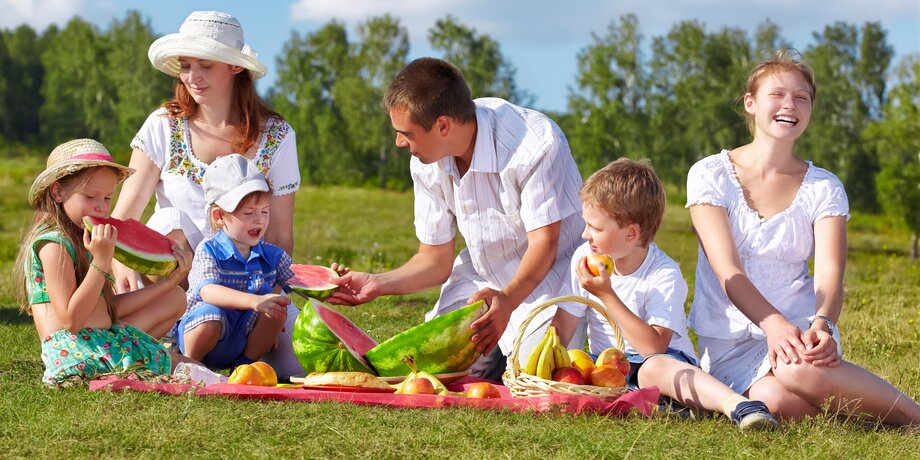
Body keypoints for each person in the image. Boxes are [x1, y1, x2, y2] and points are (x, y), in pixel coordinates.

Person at [686, 49, 920, 425]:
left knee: (796, 370)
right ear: (750, 103)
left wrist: (823, 324)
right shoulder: (709, 174)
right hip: (731, 339)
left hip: (802, 329)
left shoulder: (824, 186)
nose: (789, 105)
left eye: (801, 98)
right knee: (774, 401)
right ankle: (855, 406)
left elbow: (830, 274)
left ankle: (913, 415)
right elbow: (728, 269)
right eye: (777, 94)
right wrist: (773, 325)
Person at [328, 57, 586, 381]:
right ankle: (491, 361)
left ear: (443, 126)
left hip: (551, 277)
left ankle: (504, 359)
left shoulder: (536, 145)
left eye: (405, 133)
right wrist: (377, 283)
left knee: (535, 376)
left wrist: (507, 302)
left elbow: (545, 244)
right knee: (429, 369)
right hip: (481, 276)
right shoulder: (425, 161)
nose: (399, 143)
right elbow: (435, 259)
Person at [109, 10, 302, 377]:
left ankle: (224, 351)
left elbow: (280, 235)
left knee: (300, 366)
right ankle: (178, 334)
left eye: (205, 65)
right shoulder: (164, 125)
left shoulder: (277, 135)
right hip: (173, 286)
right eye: (185, 66)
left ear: (235, 67)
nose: (192, 77)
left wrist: (271, 299)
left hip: (249, 285)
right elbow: (122, 219)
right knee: (168, 218)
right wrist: (122, 269)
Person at [551, 158, 778, 429]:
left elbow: (654, 347)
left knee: (652, 369)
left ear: (631, 233)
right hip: (609, 369)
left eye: (596, 228)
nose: (585, 235)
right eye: (586, 224)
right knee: (579, 369)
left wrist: (606, 295)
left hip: (663, 361)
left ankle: (738, 405)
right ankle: (665, 406)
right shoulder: (585, 259)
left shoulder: (663, 274)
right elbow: (563, 325)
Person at [16, 139, 193, 385]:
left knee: (175, 297)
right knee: (184, 366)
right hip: (76, 353)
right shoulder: (54, 244)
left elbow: (108, 310)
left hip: (99, 336)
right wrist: (101, 261)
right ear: (58, 192)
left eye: (108, 198)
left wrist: (168, 283)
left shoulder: (85, 237)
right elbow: (71, 321)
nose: (100, 207)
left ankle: (142, 351)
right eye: (90, 196)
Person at [175, 154, 295, 369]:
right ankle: (190, 366)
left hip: (241, 340)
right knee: (211, 314)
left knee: (276, 311)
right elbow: (208, 292)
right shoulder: (209, 249)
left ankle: (242, 368)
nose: (259, 219)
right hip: (203, 332)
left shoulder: (272, 255)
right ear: (219, 216)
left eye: (265, 211)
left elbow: (301, 280)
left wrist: (336, 282)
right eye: (248, 213)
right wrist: (255, 301)